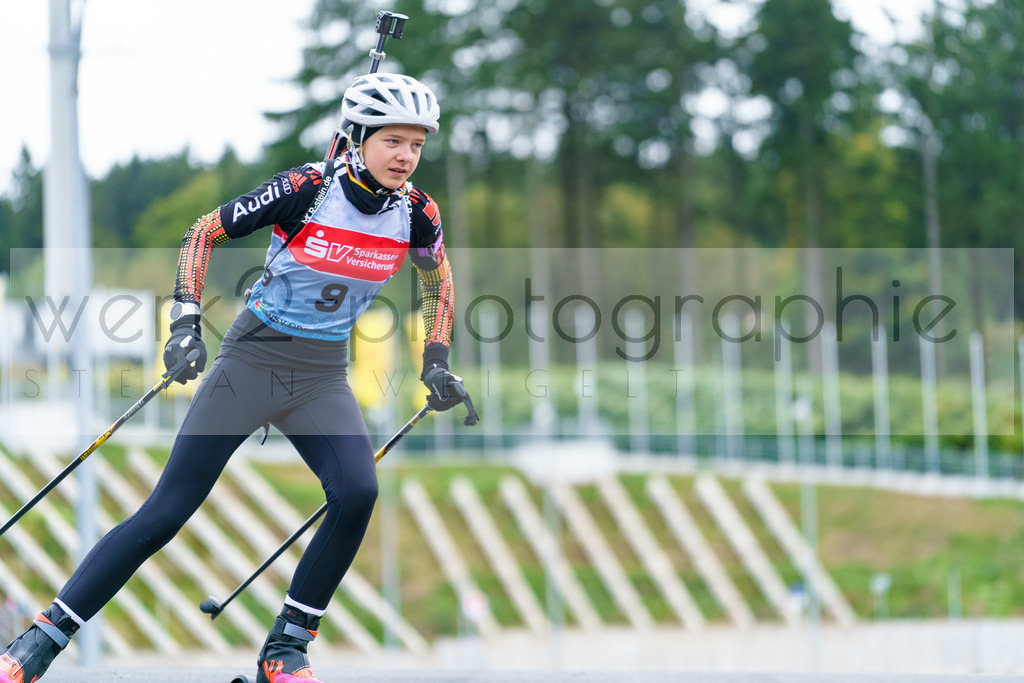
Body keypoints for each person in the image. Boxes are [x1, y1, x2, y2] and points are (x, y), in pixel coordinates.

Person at [1, 72, 475, 683]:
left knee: (357, 492)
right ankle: (38, 644)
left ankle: (287, 649)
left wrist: (435, 360)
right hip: (251, 361)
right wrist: (185, 323)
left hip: (322, 374)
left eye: (416, 144)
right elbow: (204, 232)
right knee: (166, 513)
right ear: (356, 139)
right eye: (393, 141)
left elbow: (439, 280)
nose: (406, 156)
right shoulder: (307, 188)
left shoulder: (417, 212)